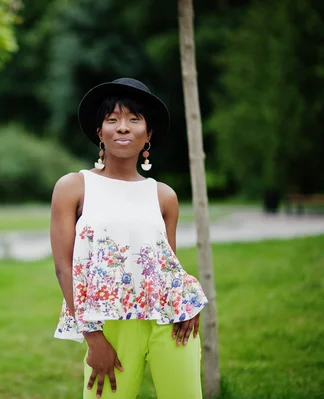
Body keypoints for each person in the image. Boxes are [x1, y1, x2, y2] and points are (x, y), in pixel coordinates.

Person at [50, 78, 208, 399]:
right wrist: (93, 337)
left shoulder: (164, 196)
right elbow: (64, 267)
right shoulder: (73, 187)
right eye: (112, 120)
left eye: (134, 120)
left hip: (172, 321)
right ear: (100, 132)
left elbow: (168, 266)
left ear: (147, 134)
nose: (123, 128)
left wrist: (187, 302)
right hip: (109, 327)